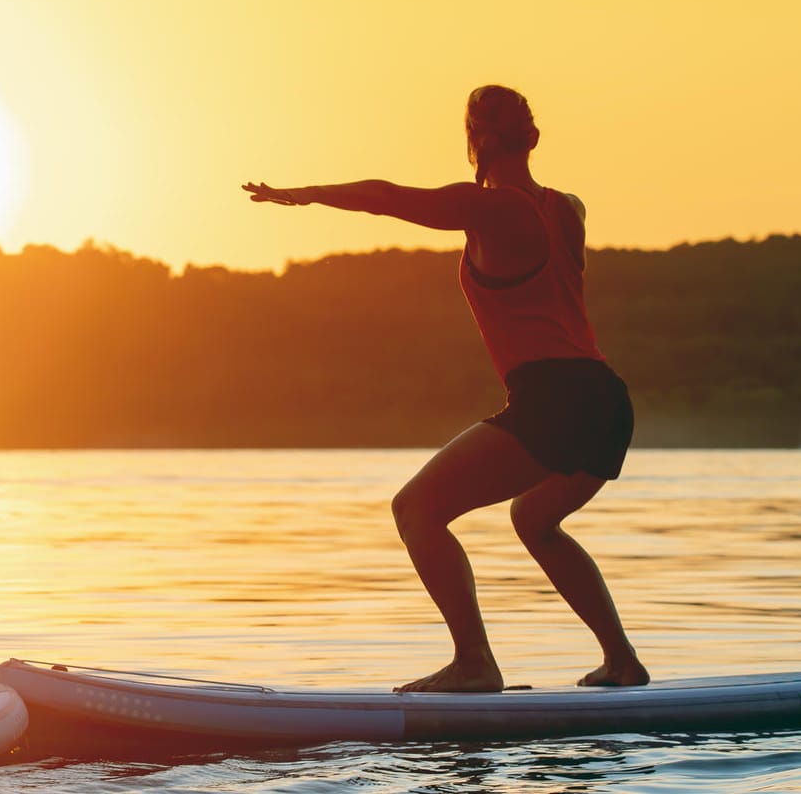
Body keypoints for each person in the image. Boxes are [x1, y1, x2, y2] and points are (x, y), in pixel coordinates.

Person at [243, 85, 647, 693]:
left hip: (555, 396)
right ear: (531, 138)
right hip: (607, 399)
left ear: (477, 140)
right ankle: (622, 661)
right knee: (535, 518)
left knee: (417, 510)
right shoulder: (570, 208)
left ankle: (474, 662)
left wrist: (305, 195)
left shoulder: (490, 208)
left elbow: (387, 199)